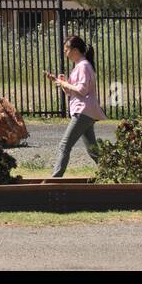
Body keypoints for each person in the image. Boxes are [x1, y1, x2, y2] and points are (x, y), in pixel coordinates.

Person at [47, 34, 106, 177]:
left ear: (75, 50)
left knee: (64, 146)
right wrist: (60, 82)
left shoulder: (83, 66)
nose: (65, 53)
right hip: (86, 111)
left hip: (83, 111)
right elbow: (72, 91)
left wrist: (64, 83)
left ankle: (55, 179)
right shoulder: (81, 66)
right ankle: (111, 172)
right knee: (93, 150)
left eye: (66, 50)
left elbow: (82, 90)